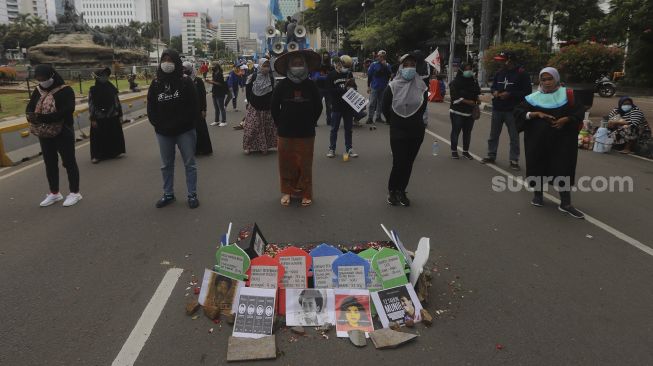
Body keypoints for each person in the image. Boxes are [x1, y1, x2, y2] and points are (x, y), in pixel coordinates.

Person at [514, 67, 586, 219]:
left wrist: (566, 120)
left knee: (563, 168)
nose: (547, 82)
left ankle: (566, 203)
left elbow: (578, 113)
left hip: (562, 142)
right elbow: (519, 113)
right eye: (543, 79)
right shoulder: (532, 98)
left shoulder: (568, 95)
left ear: (556, 79)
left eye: (550, 79)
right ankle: (538, 195)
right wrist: (535, 113)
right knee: (537, 165)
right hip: (537, 140)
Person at [147, 49, 200, 209]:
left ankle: (192, 194)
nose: (167, 63)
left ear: (176, 62)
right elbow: (151, 107)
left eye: (170, 60)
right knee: (166, 165)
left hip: (185, 131)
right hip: (164, 133)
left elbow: (194, 105)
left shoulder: (185, 81)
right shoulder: (156, 83)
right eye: (165, 59)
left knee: (190, 163)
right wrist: (158, 124)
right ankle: (168, 194)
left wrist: (186, 122)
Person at [270, 50, 322, 207]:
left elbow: (318, 107)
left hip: (306, 131)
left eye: (300, 63)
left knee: (305, 164)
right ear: (288, 66)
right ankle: (287, 191)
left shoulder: (311, 85)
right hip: (285, 131)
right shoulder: (282, 85)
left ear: (305, 65)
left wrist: (310, 121)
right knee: (286, 163)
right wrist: (280, 123)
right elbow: (274, 106)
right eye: (294, 64)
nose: (297, 66)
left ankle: (306, 193)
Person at [26, 64, 82, 207]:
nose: (41, 81)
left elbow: (68, 110)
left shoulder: (65, 90)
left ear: (52, 76)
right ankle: (54, 193)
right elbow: (30, 107)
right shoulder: (38, 91)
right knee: (50, 163)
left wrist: (43, 118)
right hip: (44, 132)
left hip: (63, 131)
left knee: (69, 162)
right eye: (38, 78)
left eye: (44, 78)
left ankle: (75, 192)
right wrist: (30, 116)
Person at [382, 53, 428, 207]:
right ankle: (392, 190)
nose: (410, 68)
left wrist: (414, 121)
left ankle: (402, 191)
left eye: (413, 65)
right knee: (399, 161)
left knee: (408, 163)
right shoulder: (393, 86)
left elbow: (423, 107)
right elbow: (384, 106)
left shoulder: (421, 86)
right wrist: (393, 121)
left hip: (416, 131)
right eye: (406, 65)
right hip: (398, 130)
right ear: (401, 67)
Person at [481, 51, 532, 170]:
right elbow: (493, 86)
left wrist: (510, 94)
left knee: (514, 136)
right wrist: (494, 91)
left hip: (513, 110)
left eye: (502, 60)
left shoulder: (522, 74)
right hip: (497, 108)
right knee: (493, 134)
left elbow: (527, 92)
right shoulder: (500, 72)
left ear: (510, 60)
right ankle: (491, 155)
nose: (500, 62)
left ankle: (514, 160)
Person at [88, 67, 126, 163]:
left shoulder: (112, 88)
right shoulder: (93, 90)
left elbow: (116, 102)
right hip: (99, 117)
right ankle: (97, 156)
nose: (104, 77)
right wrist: (92, 119)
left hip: (112, 115)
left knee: (112, 134)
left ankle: (113, 152)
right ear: (97, 77)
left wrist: (120, 115)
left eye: (106, 75)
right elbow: (91, 105)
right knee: (98, 137)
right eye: (102, 75)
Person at [326, 55, 359, 159]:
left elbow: (355, 87)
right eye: (345, 65)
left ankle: (349, 148)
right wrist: (344, 90)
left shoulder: (349, 74)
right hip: (336, 106)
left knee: (348, 129)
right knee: (334, 129)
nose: (345, 67)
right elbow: (329, 90)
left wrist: (352, 88)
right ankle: (332, 149)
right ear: (339, 63)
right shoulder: (331, 75)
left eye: (348, 66)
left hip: (348, 106)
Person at [243, 58, 277, 154]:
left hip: (267, 108)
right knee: (251, 128)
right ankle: (248, 147)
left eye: (267, 66)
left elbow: (274, 92)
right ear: (260, 66)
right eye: (264, 66)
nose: (266, 68)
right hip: (254, 107)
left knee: (266, 128)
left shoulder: (271, 78)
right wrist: (248, 103)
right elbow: (248, 90)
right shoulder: (253, 77)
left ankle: (264, 147)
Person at [448, 63, 481, 160]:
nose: (469, 71)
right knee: (456, 131)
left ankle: (465, 152)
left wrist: (477, 99)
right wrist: (467, 101)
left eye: (470, 69)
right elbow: (454, 97)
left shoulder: (473, 81)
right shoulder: (455, 82)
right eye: (467, 69)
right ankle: (454, 151)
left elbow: (476, 92)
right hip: (457, 111)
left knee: (467, 132)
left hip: (470, 112)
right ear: (461, 71)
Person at [182, 61, 213, 155]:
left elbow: (203, 95)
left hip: (198, 110)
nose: (184, 70)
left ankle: (204, 149)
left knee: (201, 130)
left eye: (186, 68)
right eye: (183, 68)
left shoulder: (198, 81)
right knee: (189, 132)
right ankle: (194, 149)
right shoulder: (182, 80)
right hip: (187, 111)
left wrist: (204, 109)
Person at [366, 50, 392, 125]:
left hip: (383, 87)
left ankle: (378, 117)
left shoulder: (387, 65)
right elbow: (370, 76)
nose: (381, 58)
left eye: (383, 57)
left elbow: (389, 75)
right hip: (374, 86)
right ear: (378, 57)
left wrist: (385, 66)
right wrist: (368, 86)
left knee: (381, 103)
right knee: (372, 103)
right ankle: (370, 118)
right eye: (380, 56)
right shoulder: (373, 64)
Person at [310, 51, 334, 126]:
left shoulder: (331, 67)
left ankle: (329, 121)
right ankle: (314, 121)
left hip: (328, 88)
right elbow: (315, 78)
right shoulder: (317, 66)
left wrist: (324, 77)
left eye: (327, 56)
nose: (325, 57)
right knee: (317, 106)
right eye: (324, 56)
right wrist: (326, 77)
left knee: (329, 106)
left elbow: (333, 77)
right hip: (319, 88)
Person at [207, 62, 228, 127]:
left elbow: (220, 84)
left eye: (213, 66)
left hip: (220, 93)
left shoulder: (220, 74)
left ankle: (224, 121)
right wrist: (209, 81)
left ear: (217, 66)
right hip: (214, 92)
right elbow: (214, 83)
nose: (212, 67)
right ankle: (216, 121)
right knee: (216, 108)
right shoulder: (214, 73)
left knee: (221, 108)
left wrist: (211, 81)